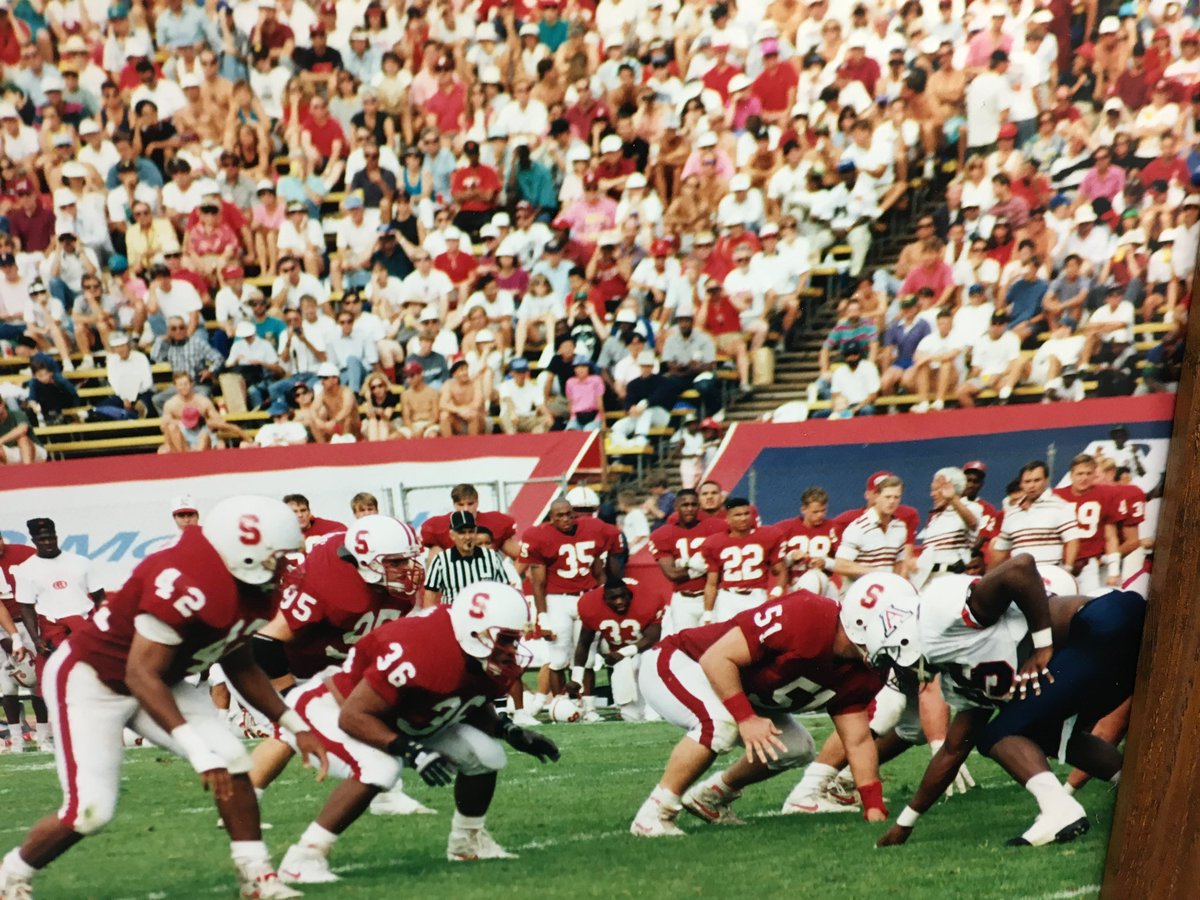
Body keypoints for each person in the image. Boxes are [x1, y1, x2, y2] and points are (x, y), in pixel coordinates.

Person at [0, 497, 328, 900]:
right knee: (90, 812)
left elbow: (241, 664)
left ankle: (256, 876)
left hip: (161, 677)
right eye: (277, 556)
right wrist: (196, 749)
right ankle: (11, 874)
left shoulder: (253, 589)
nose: (285, 566)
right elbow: (140, 672)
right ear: (244, 554)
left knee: (233, 758)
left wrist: (295, 725)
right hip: (92, 680)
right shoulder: (186, 579)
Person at [274, 581, 559, 881]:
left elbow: (470, 699)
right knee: (381, 767)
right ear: (475, 632)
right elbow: (354, 716)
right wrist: (410, 750)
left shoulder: (473, 648)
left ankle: (467, 842)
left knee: (486, 754)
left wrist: (509, 729)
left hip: (402, 717)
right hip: (330, 709)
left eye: (515, 639)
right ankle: (303, 858)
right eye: (506, 639)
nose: (512, 649)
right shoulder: (420, 651)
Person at [869, 556, 1143, 848]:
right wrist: (905, 822)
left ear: (903, 640)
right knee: (1043, 732)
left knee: (999, 734)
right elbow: (952, 751)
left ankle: (1060, 811)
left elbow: (1020, 567)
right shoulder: (957, 676)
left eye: (891, 661)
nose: (897, 672)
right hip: (1104, 644)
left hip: (1102, 624)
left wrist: (1042, 645)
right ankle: (1141, 790)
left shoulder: (939, 616)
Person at [629, 587, 886, 837]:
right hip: (685, 661)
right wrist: (745, 717)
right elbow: (716, 659)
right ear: (862, 623)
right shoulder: (808, 615)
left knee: (795, 747)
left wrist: (873, 805)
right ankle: (653, 814)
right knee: (719, 725)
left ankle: (711, 797)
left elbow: (858, 740)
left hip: (738, 686)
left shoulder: (867, 670)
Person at [248, 516, 430, 819]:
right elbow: (266, 641)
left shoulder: (392, 589)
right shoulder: (330, 586)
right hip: (290, 664)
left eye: (407, 560)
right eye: (395, 562)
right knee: (290, 733)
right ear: (367, 562)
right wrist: (290, 692)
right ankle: (242, 799)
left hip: (336, 664)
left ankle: (386, 794)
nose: (407, 569)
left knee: (373, 715)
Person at [520, 498, 621, 702]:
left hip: (587, 598)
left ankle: (589, 705)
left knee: (588, 659)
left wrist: (602, 596)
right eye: (560, 516)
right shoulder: (539, 536)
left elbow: (600, 569)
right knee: (558, 659)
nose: (566, 519)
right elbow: (538, 583)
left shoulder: (593, 528)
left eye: (569, 514)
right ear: (551, 518)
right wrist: (543, 616)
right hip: (558, 600)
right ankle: (560, 704)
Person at [14, 518, 104, 693]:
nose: (47, 542)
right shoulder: (25, 569)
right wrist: (36, 639)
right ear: (33, 541)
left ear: (56, 536)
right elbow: (26, 607)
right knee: (57, 686)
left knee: (94, 680)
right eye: (42, 539)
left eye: (51, 537)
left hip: (85, 627)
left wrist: (102, 627)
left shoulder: (81, 562)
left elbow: (100, 597)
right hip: (52, 633)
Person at [566, 578, 664, 722]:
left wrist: (622, 653)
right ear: (604, 599)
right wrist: (576, 678)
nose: (619, 601)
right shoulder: (590, 605)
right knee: (629, 715)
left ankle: (654, 708)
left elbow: (652, 638)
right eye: (613, 598)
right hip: (619, 651)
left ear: (629, 593)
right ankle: (634, 708)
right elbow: (584, 643)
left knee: (645, 663)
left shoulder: (648, 599)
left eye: (622, 596)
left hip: (648, 649)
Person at [649, 490, 729, 635]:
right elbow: (672, 574)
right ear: (676, 506)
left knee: (714, 642)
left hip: (714, 597)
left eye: (693, 504)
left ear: (699, 506)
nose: (689, 509)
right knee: (685, 644)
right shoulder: (662, 534)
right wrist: (705, 566)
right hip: (683, 600)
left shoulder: (716, 527)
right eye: (685, 505)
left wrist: (687, 565)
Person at [991, 460, 1080, 582]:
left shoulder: (1061, 507)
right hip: (1019, 578)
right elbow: (1000, 551)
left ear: (1046, 480)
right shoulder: (1011, 513)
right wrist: (992, 576)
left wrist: (1067, 570)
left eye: (1037, 480)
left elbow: (1072, 541)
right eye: (1027, 481)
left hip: (1051, 577)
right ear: (1021, 484)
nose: (1032, 485)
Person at [699, 497, 783, 623]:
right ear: (727, 518)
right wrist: (708, 614)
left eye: (746, 513)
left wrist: (776, 592)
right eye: (737, 515)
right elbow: (711, 583)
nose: (743, 518)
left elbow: (780, 569)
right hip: (727, 598)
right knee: (726, 638)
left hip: (756, 596)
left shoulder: (766, 536)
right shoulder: (714, 542)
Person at [1052, 454, 1123, 594]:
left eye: (1088, 473)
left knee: (1089, 606)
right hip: (1060, 563)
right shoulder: (1055, 496)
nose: (1084, 478)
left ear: (1094, 474)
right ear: (1071, 475)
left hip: (1088, 564)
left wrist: (1113, 571)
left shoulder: (1105, 495)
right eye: (1079, 473)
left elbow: (1111, 537)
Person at [423, 512, 515, 608]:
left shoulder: (491, 556)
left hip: (486, 617)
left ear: (475, 532)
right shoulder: (441, 560)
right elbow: (430, 596)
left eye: (470, 531)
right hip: (453, 618)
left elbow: (504, 590)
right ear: (452, 535)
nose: (467, 537)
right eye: (462, 532)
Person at [834, 475, 912, 585]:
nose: (892, 501)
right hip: (859, 590)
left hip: (888, 590)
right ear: (877, 497)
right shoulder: (858, 527)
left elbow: (899, 563)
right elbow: (840, 565)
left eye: (896, 497)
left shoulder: (900, 527)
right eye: (887, 497)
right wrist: (875, 573)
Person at [911, 468, 981, 589]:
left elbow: (972, 523)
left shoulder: (972, 507)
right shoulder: (934, 518)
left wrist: (952, 499)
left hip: (952, 579)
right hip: (926, 581)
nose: (932, 494)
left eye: (936, 489)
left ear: (951, 488)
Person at [420, 484, 520, 561]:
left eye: (470, 504)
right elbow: (435, 564)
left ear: (477, 502)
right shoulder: (439, 526)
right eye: (461, 504)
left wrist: (513, 578)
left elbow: (522, 557)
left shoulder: (495, 523)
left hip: (489, 580)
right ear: (454, 504)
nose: (466, 509)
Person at [775, 487, 841, 597]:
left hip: (825, 583)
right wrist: (791, 557)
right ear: (803, 509)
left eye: (823, 510)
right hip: (796, 586)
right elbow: (775, 567)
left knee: (841, 606)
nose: (820, 515)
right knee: (812, 579)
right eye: (815, 512)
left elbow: (843, 563)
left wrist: (826, 562)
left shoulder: (833, 528)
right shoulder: (785, 528)